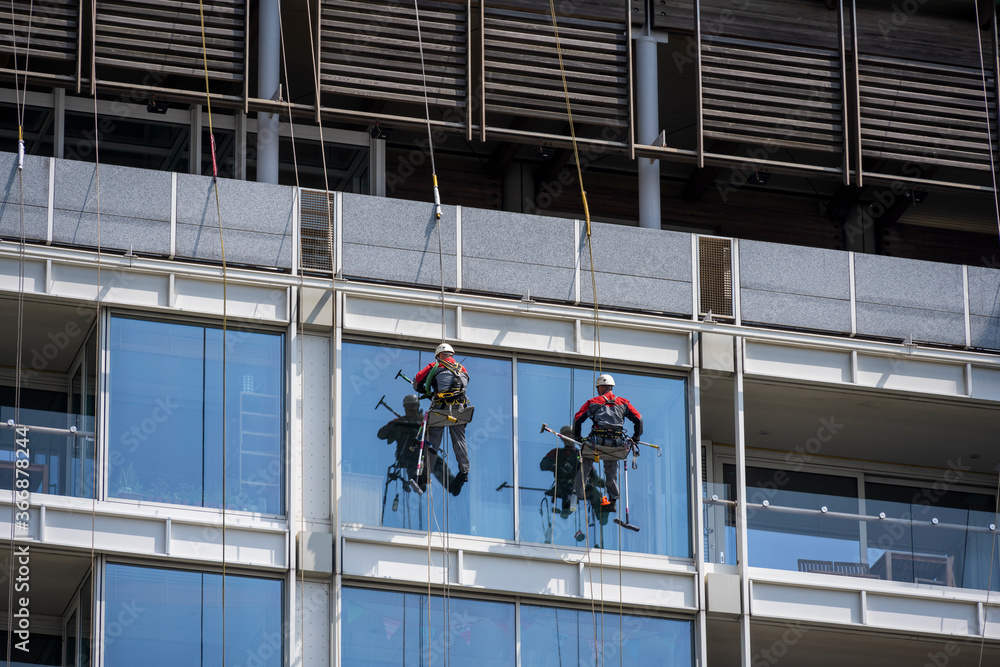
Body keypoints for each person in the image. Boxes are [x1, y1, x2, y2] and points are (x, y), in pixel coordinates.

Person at [572, 374, 642, 514]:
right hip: (616, 444)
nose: (598, 390)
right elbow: (639, 420)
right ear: (611, 387)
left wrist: (578, 437)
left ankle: (576, 495)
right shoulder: (623, 402)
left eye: (598, 388)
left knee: (586, 463)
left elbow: (578, 418)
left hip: (598, 442)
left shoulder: (593, 402)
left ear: (602, 387)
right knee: (611, 470)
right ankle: (613, 500)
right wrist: (635, 438)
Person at [413, 343, 471, 496]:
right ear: (451, 354)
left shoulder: (434, 365)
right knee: (459, 440)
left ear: (439, 355)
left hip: (441, 409)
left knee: (432, 441)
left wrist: (426, 390)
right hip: (460, 409)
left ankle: (425, 475)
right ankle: (464, 471)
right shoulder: (462, 369)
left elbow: (417, 381)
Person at [377, 394, 453, 493]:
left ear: (418, 406)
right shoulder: (399, 422)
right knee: (413, 461)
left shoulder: (424, 420)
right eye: (409, 406)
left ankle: (451, 484)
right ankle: (418, 483)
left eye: (413, 406)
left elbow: (436, 431)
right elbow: (381, 434)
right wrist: (398, 425)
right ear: (405, 408)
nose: (411, 408)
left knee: (438, 462)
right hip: (408, 453)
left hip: (426, 451)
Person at [539, 425, 603, 515]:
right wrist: (557, 467)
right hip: (564, 483)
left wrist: (604, 483)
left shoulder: (580, 454)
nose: (568, 437)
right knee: (568, 490)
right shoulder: (556, 453)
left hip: (580, 485)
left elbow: (593, 475)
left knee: (595, 492)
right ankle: (566, 510)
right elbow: (543, 465)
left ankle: (601, 514)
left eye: (570, 434)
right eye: (566, 435)